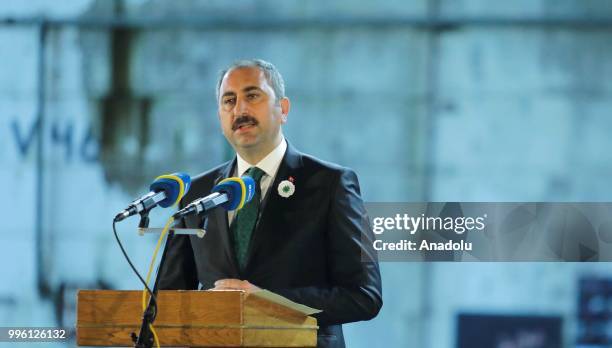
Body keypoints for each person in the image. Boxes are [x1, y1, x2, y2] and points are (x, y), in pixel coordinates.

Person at [159, 59, 382, 348]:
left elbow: (364, 296)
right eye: (229, 101)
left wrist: (265, 300)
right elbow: (168, 298)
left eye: (252, 96)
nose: (240, 110)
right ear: (220, 116)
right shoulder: (196, 193)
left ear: (284, 109)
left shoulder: (331, 183)